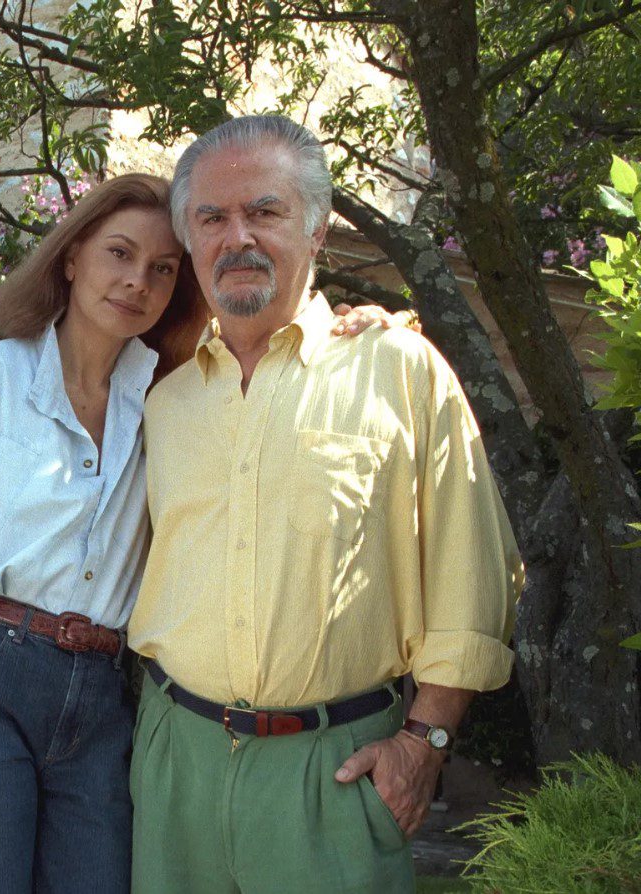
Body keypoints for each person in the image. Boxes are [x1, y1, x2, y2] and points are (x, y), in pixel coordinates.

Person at [0, 173, 406, 893]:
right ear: (70, 257)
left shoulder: (169, 399)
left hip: (104, 692)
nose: (136, 281)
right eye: (118, 253)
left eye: (162, 268)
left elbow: (271, 353)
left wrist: (353, 331)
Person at [127, 116, 521, 893]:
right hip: (175, 760)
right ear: (190, 241)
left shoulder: (399, 368)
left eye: (264, 211)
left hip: (335, 771)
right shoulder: (161, 401)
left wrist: (426, 739)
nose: (236, 236)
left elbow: (470, 570)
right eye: (211, 218)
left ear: (316, 232)